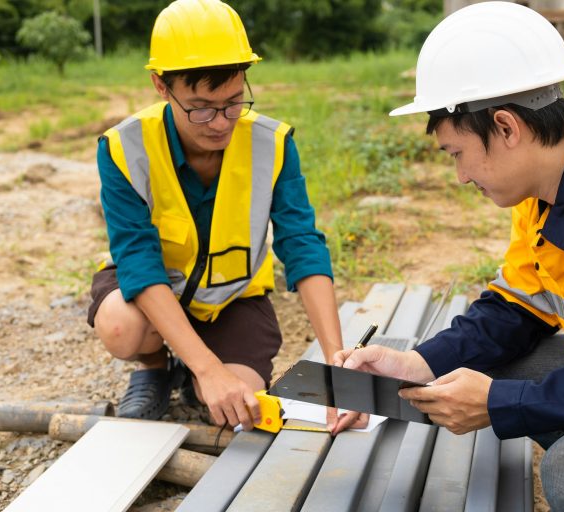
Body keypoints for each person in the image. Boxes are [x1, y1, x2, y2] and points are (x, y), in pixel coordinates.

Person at [335, 2, 564, 510]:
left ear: (506, 127)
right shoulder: (549, 188)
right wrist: (417, 364)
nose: (459, 176)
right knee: (498, 365)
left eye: (457, 154)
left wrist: (503, 405)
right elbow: (516, 307)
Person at [88, 0, 364, 434]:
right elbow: (138, 259)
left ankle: (193, 374)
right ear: (161, 85)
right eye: (201, 107)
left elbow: (302, 244)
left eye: (234, 102)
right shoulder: (125, 147)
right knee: (122, 328)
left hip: (230, 297)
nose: (220, 123)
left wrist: (337, 363)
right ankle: (155, 366)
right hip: (151, 293)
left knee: (243, 397)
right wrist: (210, 369)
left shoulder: (270, 143)